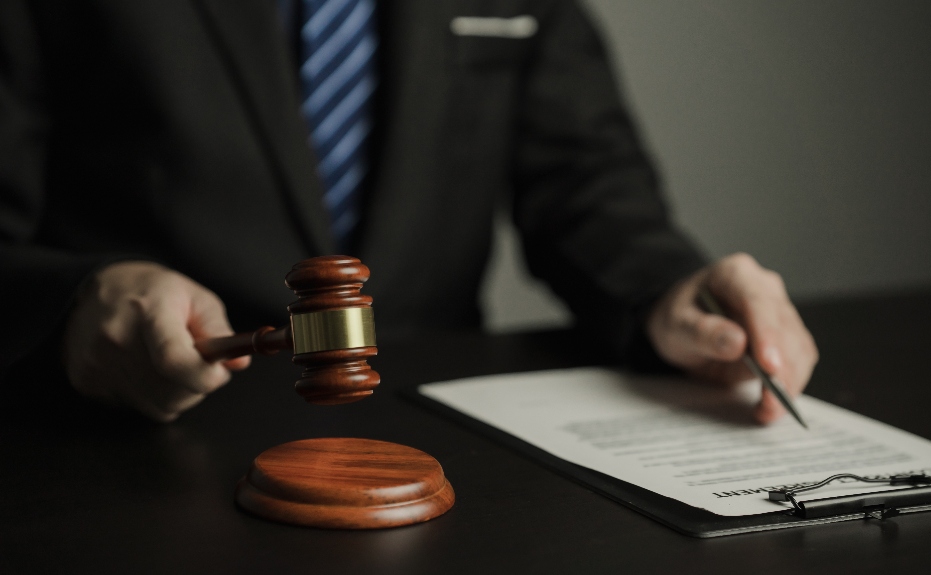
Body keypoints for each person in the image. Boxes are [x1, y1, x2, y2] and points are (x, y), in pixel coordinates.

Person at [0, 0, 817, 422]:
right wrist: (77, 301)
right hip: (140, 434)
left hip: (439, 427)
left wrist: (666, 289)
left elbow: (585, 177)